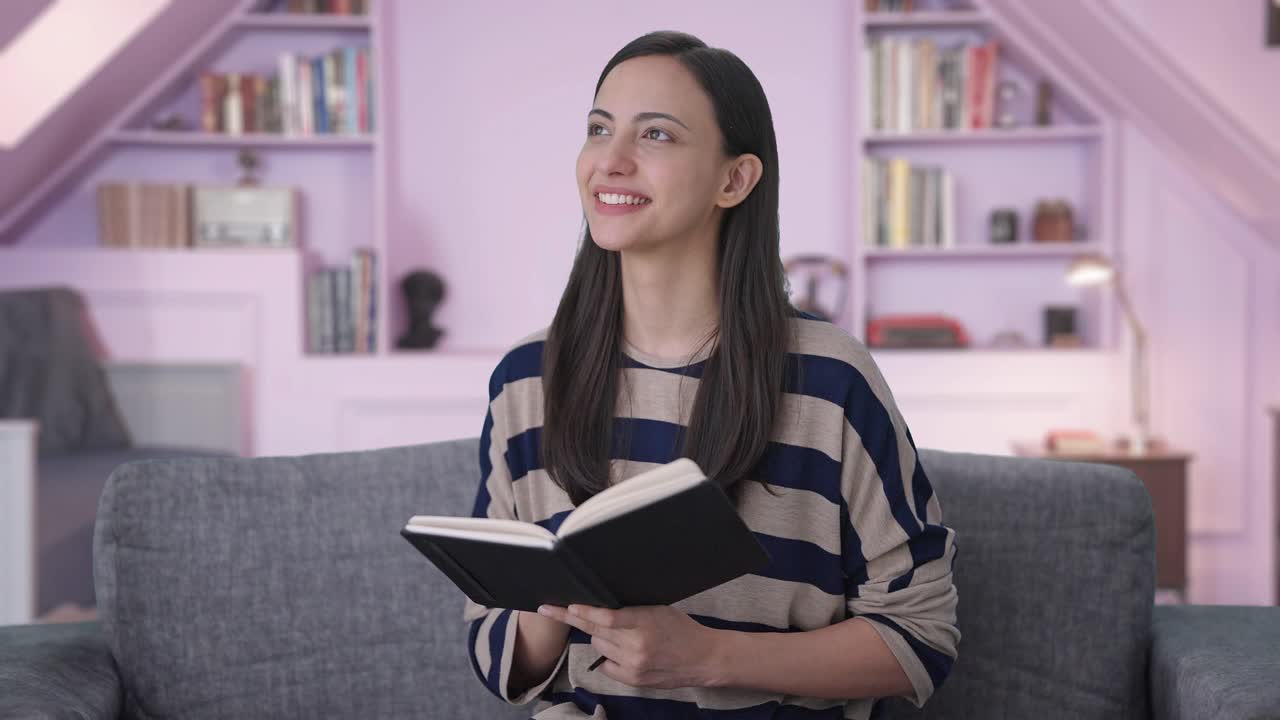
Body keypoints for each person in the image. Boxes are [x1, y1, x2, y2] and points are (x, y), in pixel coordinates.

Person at [463, 30, 958, 719]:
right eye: (599, 129)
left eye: (656, 135)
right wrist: (556, 596)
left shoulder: (830, 380)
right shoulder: (527, 379)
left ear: (735, 180)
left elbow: (921, 636)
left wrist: (709, 657)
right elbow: (495, 650)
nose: (611, 161)